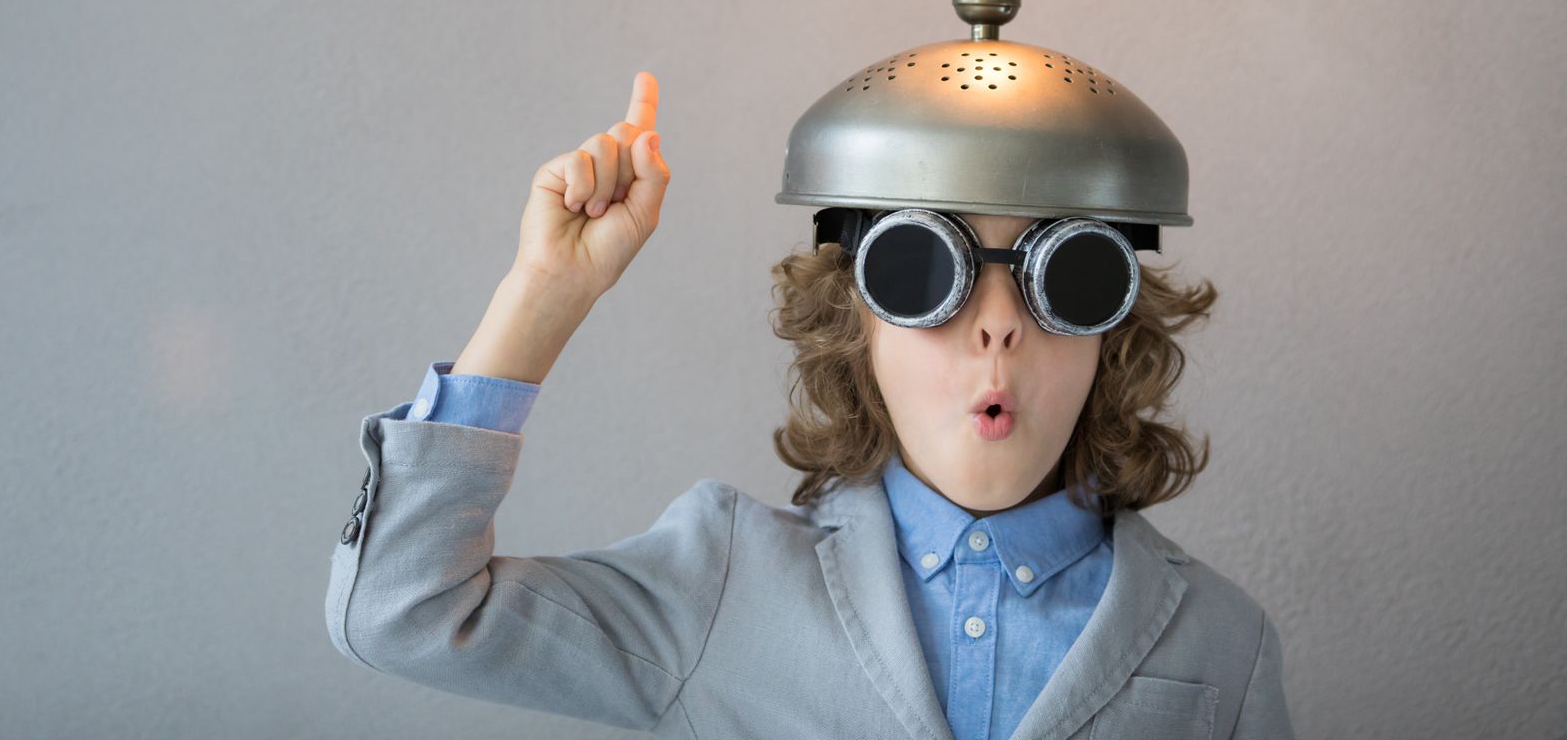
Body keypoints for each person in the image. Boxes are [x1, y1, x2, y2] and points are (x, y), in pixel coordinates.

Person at [326, 70, 1296, 739]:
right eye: (925, 271)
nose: (996, 326)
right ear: (854, 323)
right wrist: (544, 292)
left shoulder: (1218, 638)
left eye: (1068, 277)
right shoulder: (727, 585)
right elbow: (402, 609)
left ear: (1114, 327)